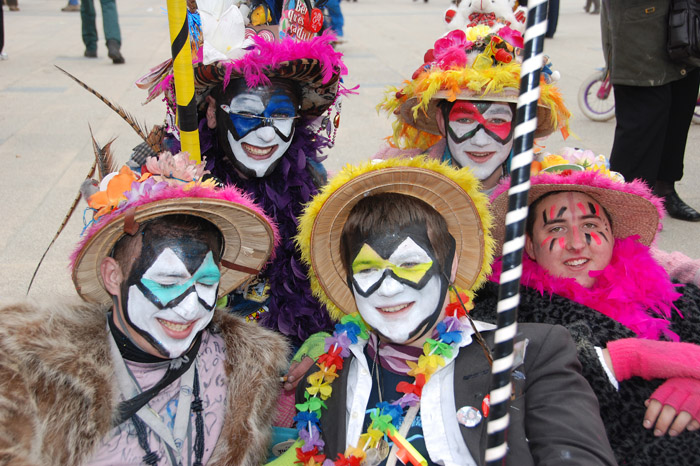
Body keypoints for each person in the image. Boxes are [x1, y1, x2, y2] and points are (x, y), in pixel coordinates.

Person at [291, 157, 617, 465]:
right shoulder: (323, 382)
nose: (388, 288)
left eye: (409, 264)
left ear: (450, 265)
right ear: (349, 280)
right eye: (367, 271)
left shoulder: (529, 354)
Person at [0, 151, 289, 465]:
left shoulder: (245, 367)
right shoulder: (30, 376)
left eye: (206, 282)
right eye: (167, 282)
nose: (191, 307)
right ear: (113, 276)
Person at [136, 0, 349, 346]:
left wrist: (320, 345)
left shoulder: (313, 183)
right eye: (248, 114)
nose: (266, 135)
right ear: (210, 112)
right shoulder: (171, 178)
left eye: (281, 116)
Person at [474, 164, 700, 464]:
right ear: (528, 246)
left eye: (591, 225)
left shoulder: (668, 293)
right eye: (556, 228)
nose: (577, 243)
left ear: (612, 234)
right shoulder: (502, 308)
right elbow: (506, 375)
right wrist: (627, 357)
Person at [376, 22, 570, 195]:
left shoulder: (545, 187)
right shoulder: (402, 179)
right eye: (464, 120)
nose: (480, 140)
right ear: (442, 122)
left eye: (497, 120)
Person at [602, 0, 700, 221]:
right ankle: (627, 202)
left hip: (685, 23)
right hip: (639, 29)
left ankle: (665, 189)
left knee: (678, 114)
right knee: (642, 120)